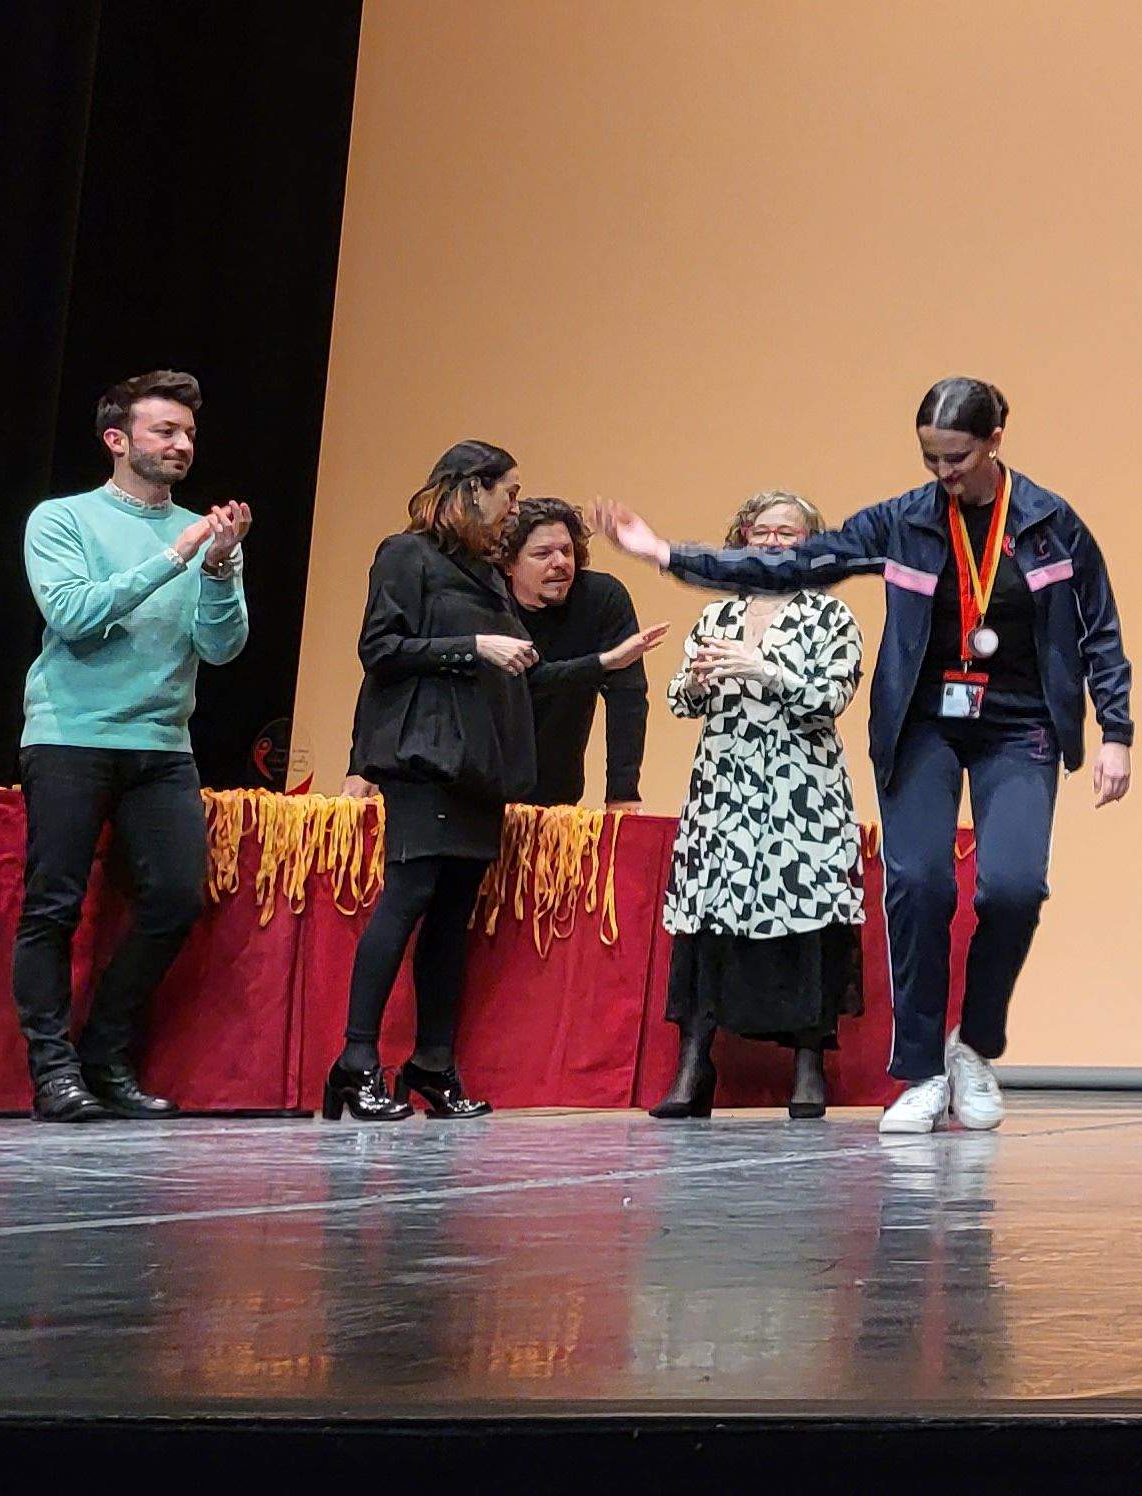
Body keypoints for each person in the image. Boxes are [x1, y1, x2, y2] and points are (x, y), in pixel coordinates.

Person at [599, 376, 1138, 1137]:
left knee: (1015, 888)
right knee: (918, 885)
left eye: (956, 457)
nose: (943, 474)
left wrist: (1115, 732)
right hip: (923, 724)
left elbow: (1100, 632)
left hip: (1020, 727)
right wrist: (668, 554)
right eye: (930, 458)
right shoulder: (907, 519)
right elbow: (795, 564)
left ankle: (973, 1047)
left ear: (994, 442)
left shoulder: (1051, 524)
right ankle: (918, 1071)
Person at [13, 371, 251, 1121]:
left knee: (176, 899)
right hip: (70, 736)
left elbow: (223, 648)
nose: (181, 444)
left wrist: (219, 567)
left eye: (187, 433)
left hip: (161, 744)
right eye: (164, 431)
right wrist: (175, 557)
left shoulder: (198, 533)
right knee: (54, 905)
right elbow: (74, 614)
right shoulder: (62, 519)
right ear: (117, 440)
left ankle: (103, 1055)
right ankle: (52, 1071)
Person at [333, 441, 534, 1121]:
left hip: (478, 764)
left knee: (452, 916)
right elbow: (380, 650)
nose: (513, 505)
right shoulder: (405, 554)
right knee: (410, 893)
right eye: (507, 491)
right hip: (424, 756)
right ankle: (356, 1060)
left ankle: (433, 1063)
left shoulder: (485, 572)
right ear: (470, 488)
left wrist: (601, 660)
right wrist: (470, 647)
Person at [653, 491, 870, 1120]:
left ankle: (808, 1069)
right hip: (723, 790)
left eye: (789, 534)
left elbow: (829, 701)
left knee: (804, 925)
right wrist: (694, 682)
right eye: (762, 531)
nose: (773, 542)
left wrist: (764, 669)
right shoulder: (717, 616)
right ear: (742, 538)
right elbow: (679, 702)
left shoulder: (831, 618)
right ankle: (694, 1069)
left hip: (800, 795)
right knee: (707, 924)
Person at [502, 498, 669, 809]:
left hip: (558, 790)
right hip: (479, 790)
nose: (560, 563)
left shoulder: (601, 598)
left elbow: (627, 698)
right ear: (509, 564)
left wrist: (622, 791)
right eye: (542, 554)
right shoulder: (487, 600)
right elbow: (524, 681)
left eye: (566, 551)